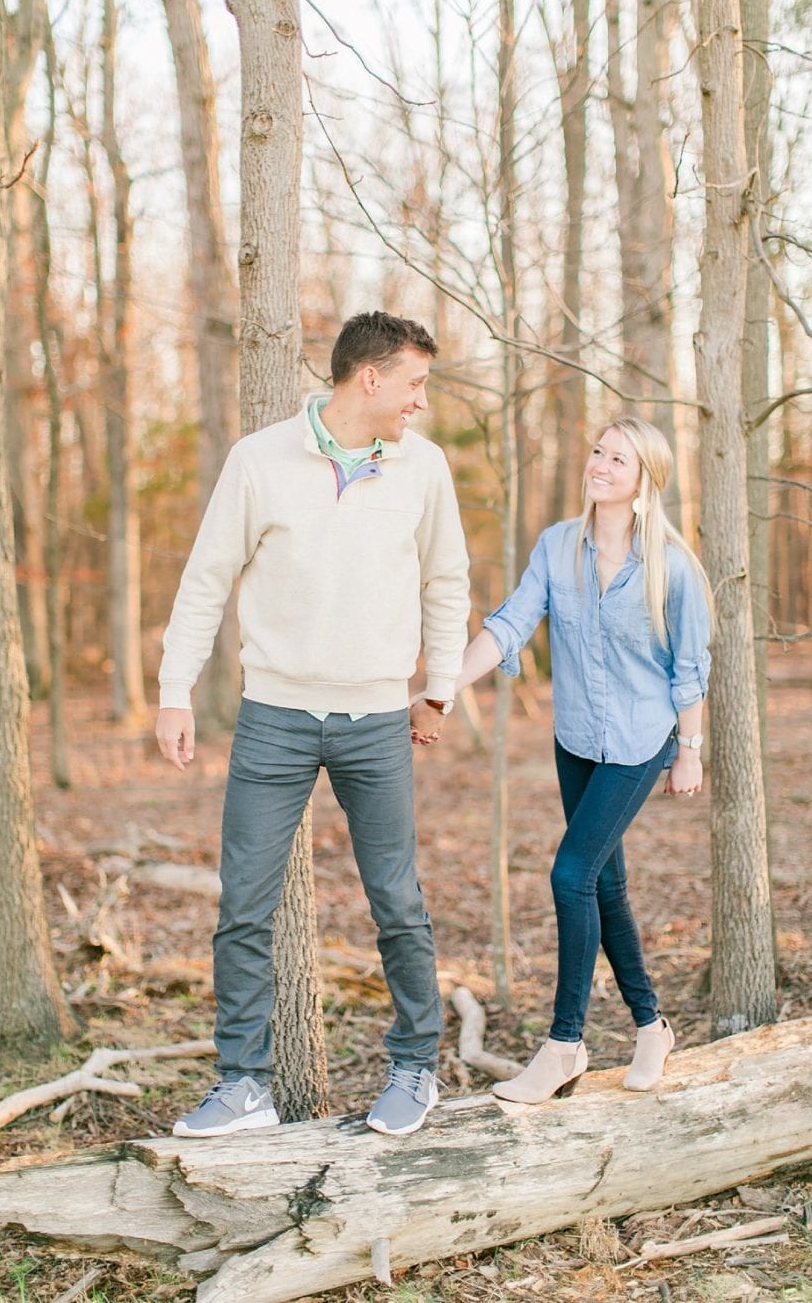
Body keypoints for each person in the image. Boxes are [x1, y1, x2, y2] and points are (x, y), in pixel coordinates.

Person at [155, 310, 471, 1138]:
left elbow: (447, 581)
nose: (419, 402)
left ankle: (414, 1067)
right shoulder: (259, 461)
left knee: (397, 902)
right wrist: (173, 688)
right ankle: (244, 1086)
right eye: (413, 384)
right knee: (245, 908)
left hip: (375, 719)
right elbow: (205, 578)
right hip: (275, 717)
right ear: (369, 378)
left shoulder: (423, 469)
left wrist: (439, 687)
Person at [423, 414, 711, 1103]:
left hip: (642, 743)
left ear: (645, 482)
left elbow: (690, 669)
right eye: (598, 451)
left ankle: (564, 1044)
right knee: (604, 886)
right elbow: (509, 624)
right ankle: (652, 1026)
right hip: (577, 739)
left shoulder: (672, 566)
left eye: (619, 459)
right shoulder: (558, 547)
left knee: (571, 873)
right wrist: (443, 686)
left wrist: (691, 751)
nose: (600, 465)